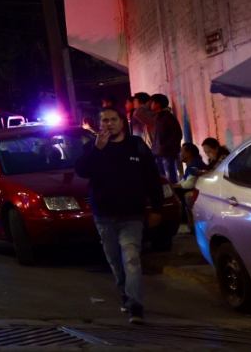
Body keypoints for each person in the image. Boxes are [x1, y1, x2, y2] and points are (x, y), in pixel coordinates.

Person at [75, 106, 163, 325]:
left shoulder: (136, 146)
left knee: (132, 259)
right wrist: (97, 150)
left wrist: (157, 208)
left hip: (132, 213)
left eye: (113, 119)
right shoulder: (93, 147)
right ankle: (125, 292)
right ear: (99, 124)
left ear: (122, 122)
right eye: (104, 120)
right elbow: (82, 171)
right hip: (104, 214)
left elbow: (152, 177)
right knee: (115, 260)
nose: (109, 123)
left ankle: (135, 305)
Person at [132, 93, 181, 183]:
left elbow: (176, 135)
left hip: (165, 153)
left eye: (152, 102)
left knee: (170, 180)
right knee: (164, 179)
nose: (150, 105)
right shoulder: (159, 117)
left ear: (157, 104)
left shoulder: (165, 117)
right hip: (159, 152)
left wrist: (165, 148)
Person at [174, 142, 206, 229]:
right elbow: (184, 180)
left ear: (189, 153)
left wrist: (174, 187)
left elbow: (190, 184)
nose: (180, 154)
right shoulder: (191, 164)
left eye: (182, 152)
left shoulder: (195, 164)